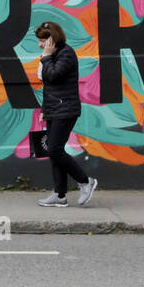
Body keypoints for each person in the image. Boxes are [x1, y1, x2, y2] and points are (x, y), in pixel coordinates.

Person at [33, 21, 97, 207]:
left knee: (54, 149)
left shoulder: (66, 54)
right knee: (54, 152)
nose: (39, 44)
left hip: (66, 109)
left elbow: (53, 75)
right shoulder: (52, 54)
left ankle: (86, 181)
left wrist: (46, 57)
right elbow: (48, 86)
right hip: (54, 109)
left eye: (42, 40)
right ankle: (59, 195)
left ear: (52, 40)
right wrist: (45, 110)